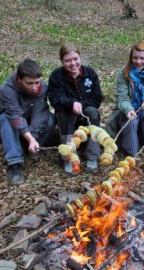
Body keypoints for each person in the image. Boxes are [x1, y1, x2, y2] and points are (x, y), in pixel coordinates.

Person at [106, 40, 144, 169]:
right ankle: (133, 152)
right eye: (135, 58)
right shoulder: (124, 73)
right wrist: (128, 109)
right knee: (131, 120)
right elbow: (121, 97)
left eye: (142, 58)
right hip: (128, 109)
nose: (138, 61)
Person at [0, 59, 56, 185]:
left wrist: (32, 138)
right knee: (5, 118)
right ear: (19, 79)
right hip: (6, 125)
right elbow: (15, 116)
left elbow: (39, 113)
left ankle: (30, 146)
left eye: (37, 82)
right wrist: (30, 138)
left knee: (50, 119)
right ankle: (15, 162)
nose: (35, 87)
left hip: (28, 122)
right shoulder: (6, 90)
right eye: (29, 83)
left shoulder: (42, 87)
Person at [48, 43, 103, 173]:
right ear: (62, 61)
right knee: (64, 114)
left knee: (92, 112)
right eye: (67, 60)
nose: (72, 63)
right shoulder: (56, 76)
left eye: (75, 59)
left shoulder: (90, 73)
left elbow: (97, 98)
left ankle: (92, 154)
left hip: (85, 115)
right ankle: (69, 156)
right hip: (67, 117)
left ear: (80, 58)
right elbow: (55, 98)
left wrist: (82, 105)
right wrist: (71, 103)